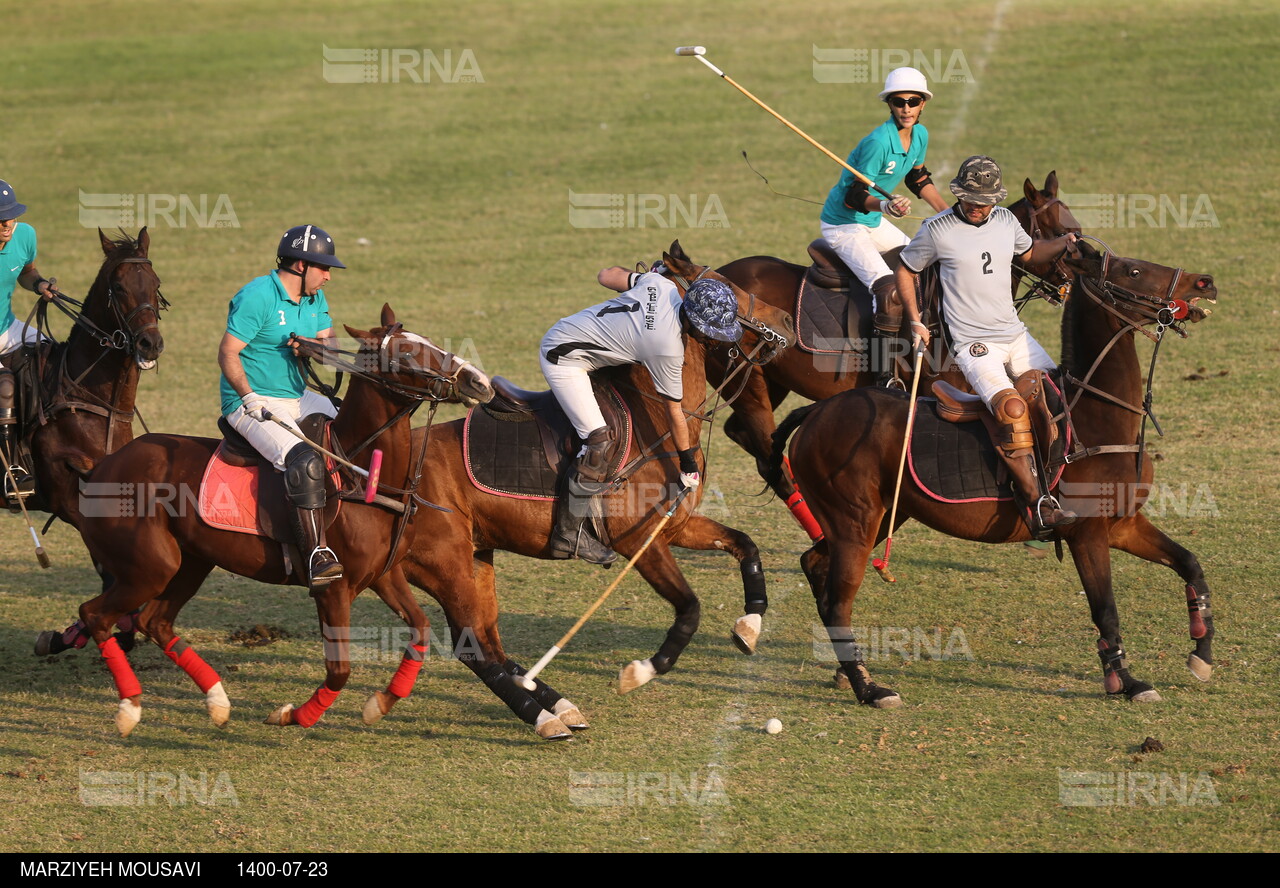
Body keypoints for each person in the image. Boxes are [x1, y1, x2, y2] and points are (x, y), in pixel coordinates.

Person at [896, 155, 1080, 535]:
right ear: (960, 194)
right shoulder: (937, 229)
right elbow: (905, 270)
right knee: (1011, 409)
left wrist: (1063, 242)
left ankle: (1059, 476)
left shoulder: (1006, 220)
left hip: (1016, 335)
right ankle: (1037, 502)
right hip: (975, 344)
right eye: (974, 200)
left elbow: (1028, 254)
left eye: (988, 201)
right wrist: (915, 320)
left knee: (1057, 391)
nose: (981, 208)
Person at [539, 264, 743, 564]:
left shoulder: (662, 286)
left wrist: (651, 277)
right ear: (696, 324)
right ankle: (568, 536)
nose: (714, 340)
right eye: (711, 333)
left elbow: (605, 275)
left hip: (574, 330)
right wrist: (688, 464)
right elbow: (675, 413)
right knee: (599, 441)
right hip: (563, 358)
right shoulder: (666, 348)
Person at [218, 225, 345, 589]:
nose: (328, 277)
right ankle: (316, 554)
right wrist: (247, 397)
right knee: (303, 460)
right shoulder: (257, 296)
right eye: (324, 268)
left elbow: (332, 351)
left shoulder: (313, 298)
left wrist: (313, 347)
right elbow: (227, 353)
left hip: (297, 395)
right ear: (301, 265)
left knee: (354, 428)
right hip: (250, 400)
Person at [819, 67, 951, 387]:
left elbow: (917, 177)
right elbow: (854, 195)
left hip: (872, 221)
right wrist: (886, 205)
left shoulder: (920, 135)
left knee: (922, 265)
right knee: (889, 288)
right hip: (844, 224)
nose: (906, 107)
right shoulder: (878, 142)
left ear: (923, 104)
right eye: (898, 101)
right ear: (890, 105)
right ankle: (883, 376)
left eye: (913, 101)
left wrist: (948, 213)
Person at [0, 179, 58, 498]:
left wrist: (39, 286)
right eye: (0, 217)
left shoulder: (25, 235)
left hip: (6, 328)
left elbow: (26, 271)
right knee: (5, 387)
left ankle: (41, 449)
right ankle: (12, 469)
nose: (7, 223)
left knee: (52, 358)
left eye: (11, 215)